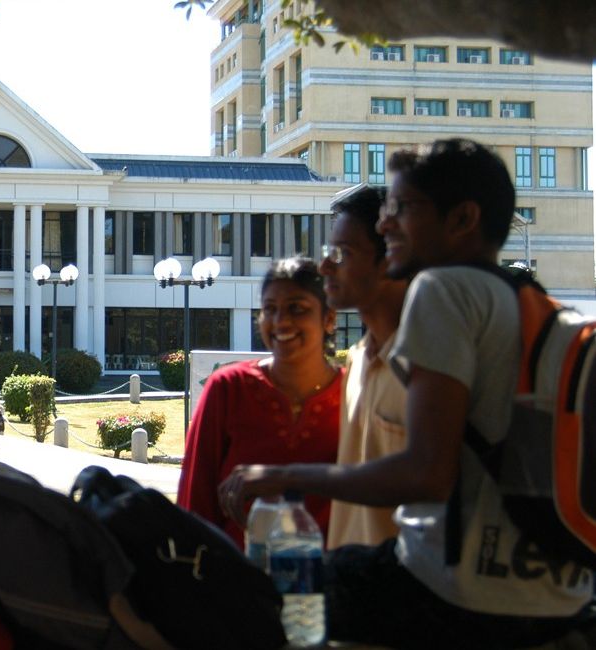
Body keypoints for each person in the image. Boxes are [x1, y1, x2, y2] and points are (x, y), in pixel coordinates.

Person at [219, 139, 594, 647]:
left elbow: (428, 473)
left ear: (462, 219)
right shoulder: (531, 304)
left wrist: (282, 476)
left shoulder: (440, 289)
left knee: (250, 601)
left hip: (455, 593)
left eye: (402, 209)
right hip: (553, 596)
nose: (385, 222)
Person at [177, 256, 342, 548]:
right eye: (269, 309)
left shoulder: (352, 392)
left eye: (297, 308)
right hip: (237, 580)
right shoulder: (228, 388)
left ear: (329, 318)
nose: (281, 321)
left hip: (332, 581)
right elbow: (195, 503)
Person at [320, 185, 409, 548]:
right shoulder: (357, 359)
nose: (324, 265)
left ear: (389, 258)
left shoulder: (429, 368)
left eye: (342, 254)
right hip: (349, 586)